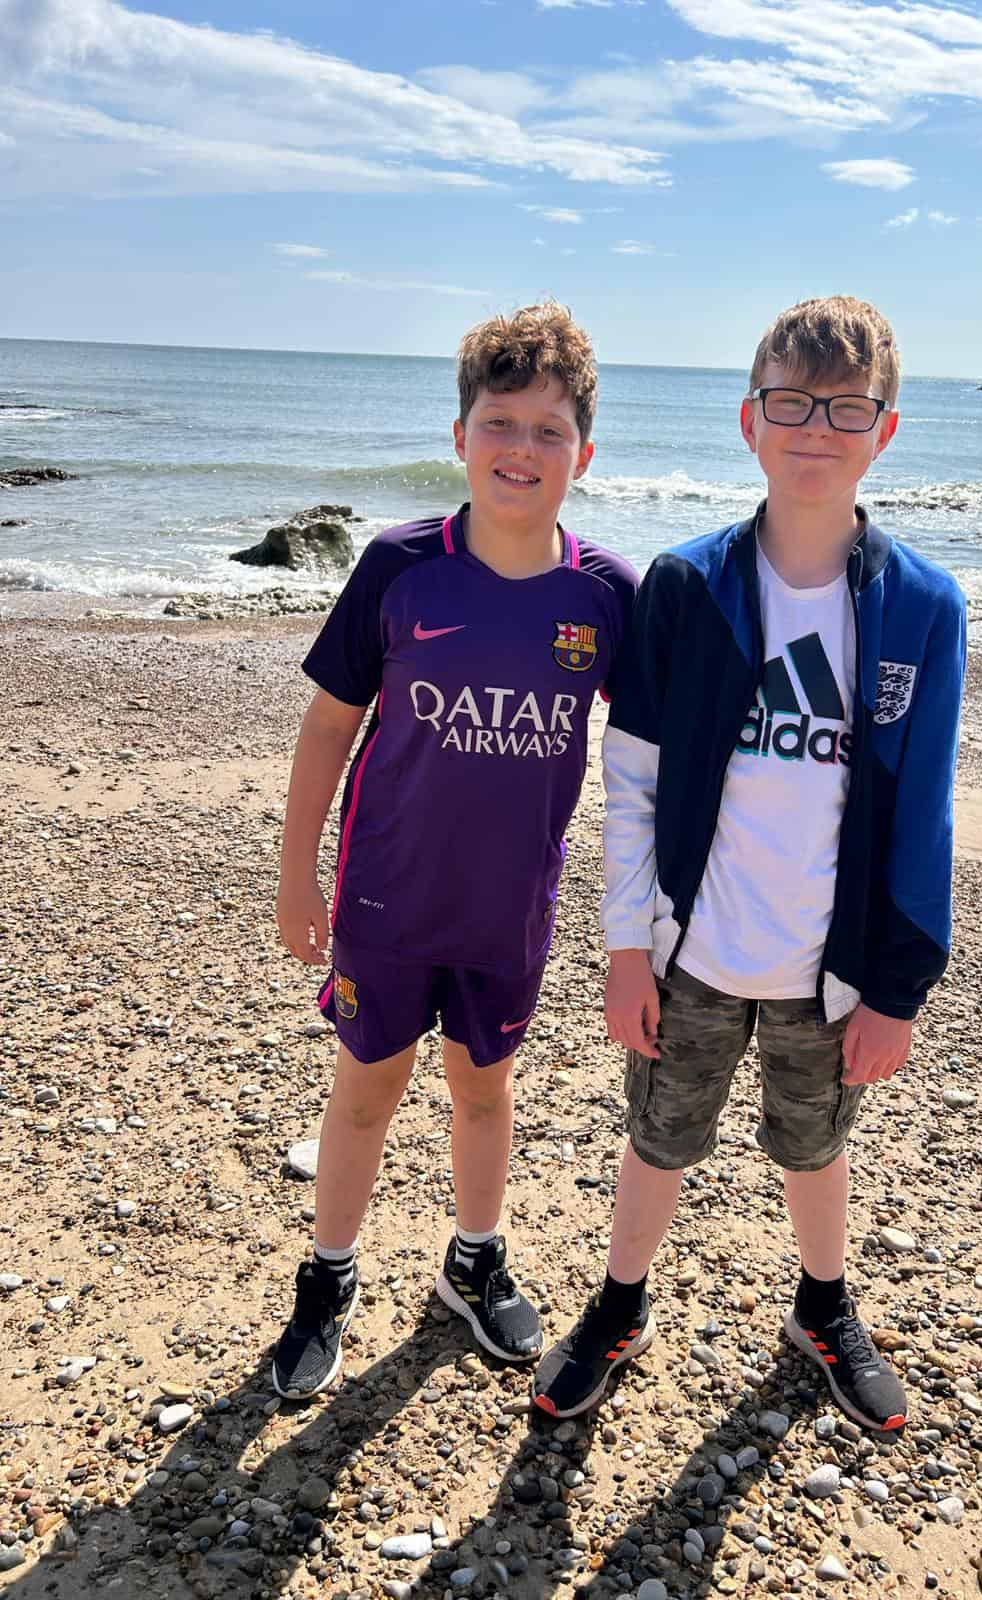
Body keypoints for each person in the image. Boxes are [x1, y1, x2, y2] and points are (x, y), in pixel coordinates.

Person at [533, 296, 966, 1431]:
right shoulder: (688, 586)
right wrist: (628, 948)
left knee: (815, 1146)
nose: (816, 429)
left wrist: (899, 989)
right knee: (658, 1136)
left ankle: (823, 1305)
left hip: (831, 962)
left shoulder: (924, 607)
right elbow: (631, 778)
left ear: (885, 429)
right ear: (749, 421)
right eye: (791, 404)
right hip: (693, 949)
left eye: (847, 409)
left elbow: (923, 813)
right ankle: (619, 1302)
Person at [270, 302, 638, 1400]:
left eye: (548, 430)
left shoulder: (606, 594)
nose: (522, 449)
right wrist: (297, 874)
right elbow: (328, 727)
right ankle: (328, 1276)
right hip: (385, 900)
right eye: (500, 423)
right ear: (461, 435)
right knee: (365, 1091)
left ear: (583, 452)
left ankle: (474, 1260)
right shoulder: (400, 567)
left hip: (507, 910)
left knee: (484, 1090)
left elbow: (652, 760)